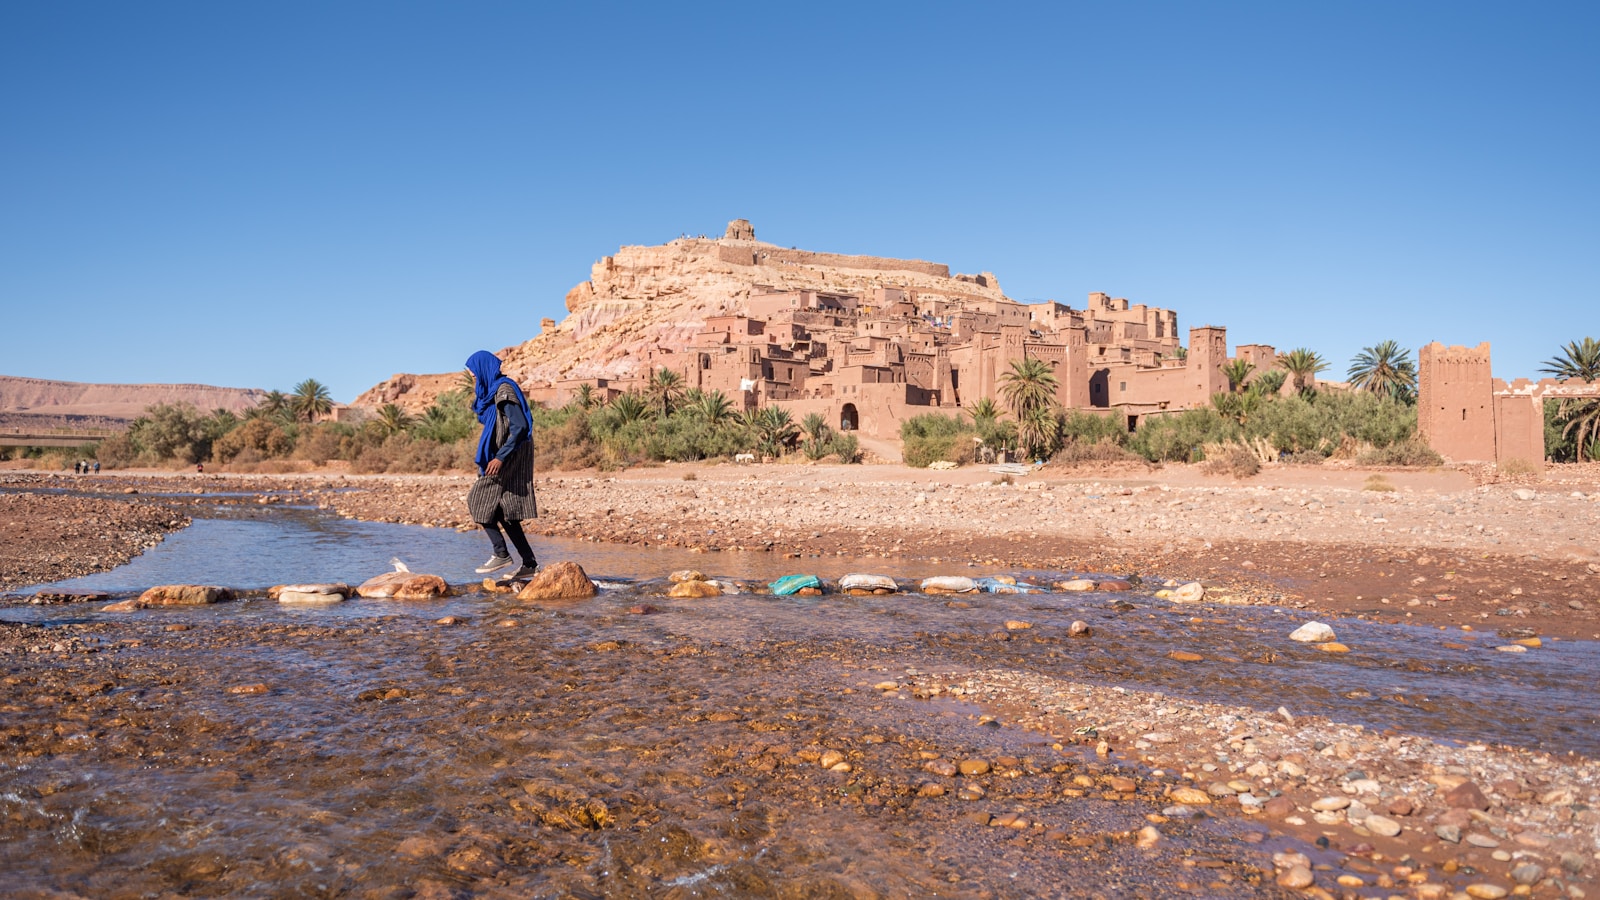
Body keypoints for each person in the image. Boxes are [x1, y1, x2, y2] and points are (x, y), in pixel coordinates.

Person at [464, 350, 538, 578]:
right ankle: (530, 564)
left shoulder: (504, 390)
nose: (474, 379)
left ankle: (501, 553)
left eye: (475, 374)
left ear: (484, 369)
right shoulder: (493, 393)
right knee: (506, 513)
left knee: (477, 500)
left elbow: (520, 427)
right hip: (504, 455)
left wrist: (500, 457)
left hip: (508, 456)